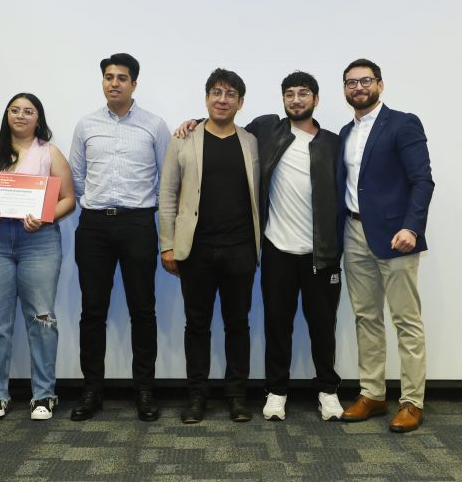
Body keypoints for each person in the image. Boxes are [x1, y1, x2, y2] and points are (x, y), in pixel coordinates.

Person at [175, 71, 344, 422]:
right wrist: (193, 122)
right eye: (289, 94)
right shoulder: (267, 130)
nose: (296, 100)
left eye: (303, 93)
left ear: (315, 99)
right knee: (277, 325)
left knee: (322, 325)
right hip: (276, 248)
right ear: (282, 100)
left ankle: (328, 391)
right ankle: (276, 391)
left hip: (321, 251)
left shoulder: (332, 142)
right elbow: (222, 124)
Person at [68, 53, 169, 422]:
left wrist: (141, 207)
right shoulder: (86, 125)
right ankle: (92, 390)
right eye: (108, 77)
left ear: (134, 84)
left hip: (137, 224)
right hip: (94, 226)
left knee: (142, 310)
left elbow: (166, 178)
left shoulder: (154, 125)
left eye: (122, 78)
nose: (114, 83)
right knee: (92, 311)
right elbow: (77, 177)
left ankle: (145, 390)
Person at [337, 59, 434, 433]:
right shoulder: (346, 132)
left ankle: (412, 401)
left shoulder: (403, 123)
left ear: (380, 84)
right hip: (353, 233)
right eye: (351, 83)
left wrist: (412, 227)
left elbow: (422, 180)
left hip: (396, 236)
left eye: (365, 80)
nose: (358, 87)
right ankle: (373, 394)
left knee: (406, 319)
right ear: (345, 90)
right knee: (366, 317)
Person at [160, 68, 259, 424]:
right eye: (216, 92)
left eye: (230, 94)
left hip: (240, 249)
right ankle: (197, 396)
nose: (222, 99)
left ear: (240, 102)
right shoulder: (184, 139)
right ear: (206, 98)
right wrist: (167, 244)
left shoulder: (252, 141)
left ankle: (236, 397)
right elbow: (167, 193)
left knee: (238, 325)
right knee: (197, 325)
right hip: (196, 250)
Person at [0, 93, 75, 421]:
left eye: (28, 111)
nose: (20, 115)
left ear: (38, 118)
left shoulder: (49, 152)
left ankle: (44, 395)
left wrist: (45, 217)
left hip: (39, 242)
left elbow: (68, 199)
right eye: (15, 110)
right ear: (7, 115)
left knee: (42, 318)